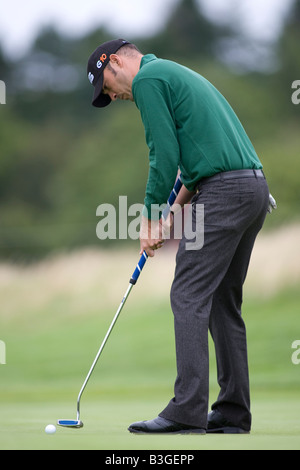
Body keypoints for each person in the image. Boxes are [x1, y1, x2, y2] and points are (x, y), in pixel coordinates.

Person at [87, 39, 271, 434]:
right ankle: (232, 413)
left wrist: (150, 218)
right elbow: (192, 169)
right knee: (223, 300)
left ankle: (187, 411)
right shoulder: (173, 72)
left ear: (116, 62)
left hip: (225, 192)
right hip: (251, 188)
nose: (113, 96)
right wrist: (169, 216)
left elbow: (162, 152)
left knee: (187, 292)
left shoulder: (148, 80)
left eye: (106, 87)